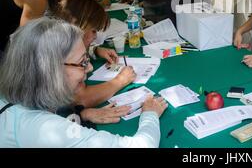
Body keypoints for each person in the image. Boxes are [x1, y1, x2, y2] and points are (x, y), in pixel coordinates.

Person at [0, 17, 168, 147]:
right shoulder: (42, 129)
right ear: (51, 71)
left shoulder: (18, 101)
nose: (89, 69)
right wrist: (150, 114)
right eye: (82, 62)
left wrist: (82, 115)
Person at [56, 0, 136, 108]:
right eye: (93, 31)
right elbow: (81, 99)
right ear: (79, 26)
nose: (95, 37)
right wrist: (121, 80)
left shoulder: (60, 37)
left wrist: (95, 50)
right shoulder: (60, 52)